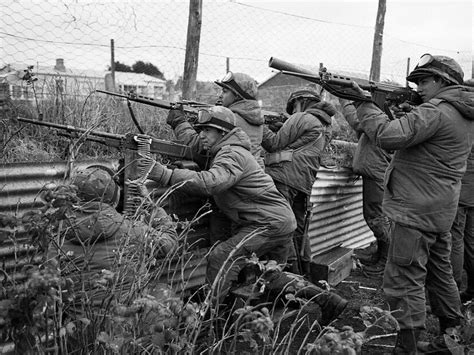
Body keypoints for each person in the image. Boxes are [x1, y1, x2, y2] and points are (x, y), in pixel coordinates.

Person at [139, 106, 348, 323]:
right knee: (268, 275)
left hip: (268, 223)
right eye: (200, 130)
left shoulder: (232, 153)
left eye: (207, 131)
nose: (201, 135)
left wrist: (164, 174)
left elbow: (212, 182)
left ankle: (210, 318)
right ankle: (328, 301)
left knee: (222, 256)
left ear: (223, 133)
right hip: (277, 221)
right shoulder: (228, 151)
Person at [349, 54, 474, 354]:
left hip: (415, 210)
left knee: (404, 278)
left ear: (444, 82)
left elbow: (386, 136)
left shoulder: (437, 111)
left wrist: (362, 103)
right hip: (439, 208)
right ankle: (450, 335)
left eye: (424, 81)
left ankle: (408, 346)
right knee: (439, 273)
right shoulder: (461, 111)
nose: (418, 87)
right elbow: (421, 140)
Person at [57, 166, 178, 308]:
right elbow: (170, 244)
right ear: (115, 199)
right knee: (164, 293)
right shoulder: (131, 230)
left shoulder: (56, 233)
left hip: (74, 324)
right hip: (124, 319)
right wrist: (150, 206)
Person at [260, 87, 335, 277]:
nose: (292, 112)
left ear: (300, 102)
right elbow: (299, 145)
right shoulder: (325, 125)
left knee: (283, 228)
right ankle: (306, 273)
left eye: (293, 107)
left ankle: (290, 276)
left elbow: (273, 144)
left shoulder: (302, 118)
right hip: (303, 182)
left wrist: (258, 124)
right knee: (299, 230)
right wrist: (281, 128)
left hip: (284, 177)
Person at [339, 99, 392, 277]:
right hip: (375, 171)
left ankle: (386, 260)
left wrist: (345, 99)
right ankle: (381, 255)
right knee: (375, 216)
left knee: (377, 218)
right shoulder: (384, 119)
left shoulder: (382, 120)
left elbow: (356, 122)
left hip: (377, 173)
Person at [450, 145, 474, 301]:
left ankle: (451, 294)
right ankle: (471, 289)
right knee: (471, 240)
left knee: (454, 241)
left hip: (461, 187)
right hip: (471, 191)